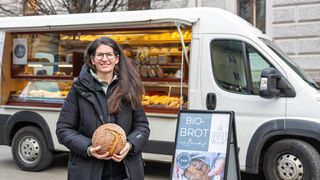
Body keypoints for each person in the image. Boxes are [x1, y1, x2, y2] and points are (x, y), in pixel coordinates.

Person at [56, 36, 150, 180]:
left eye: (109, 55)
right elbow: (63, 129)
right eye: (100, 55)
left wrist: (130, 145)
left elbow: (142, 126)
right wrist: (88, 148)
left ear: (117, 58)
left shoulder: (129, 88)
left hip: (125, 172)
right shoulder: (78, 89)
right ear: (92, 60)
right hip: (88, 171)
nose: (104, 59)